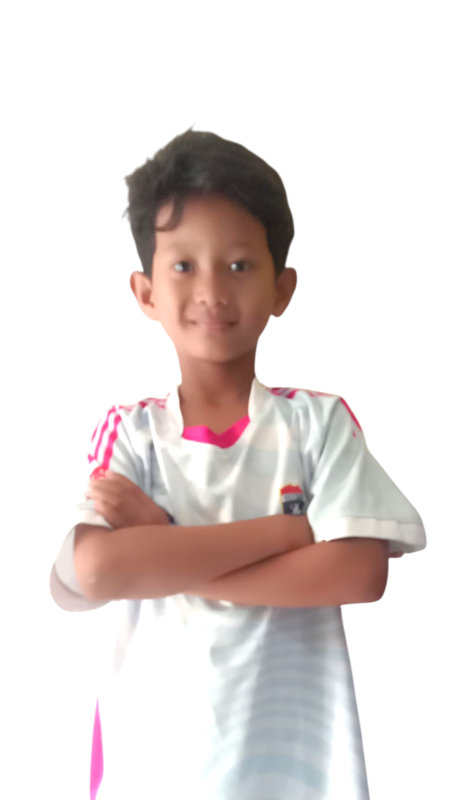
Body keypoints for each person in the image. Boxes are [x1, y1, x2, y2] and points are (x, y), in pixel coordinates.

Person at [49, 126, 427, 800]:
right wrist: (291, 532)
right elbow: (94, 571)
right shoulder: (133, 433)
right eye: (184, 266)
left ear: (282, 288)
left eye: (239, 265)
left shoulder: (317, 424)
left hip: (298, 772)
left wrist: (164, 547)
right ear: (145, 292)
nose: (212, 291)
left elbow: (360, 572)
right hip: (152, 773)